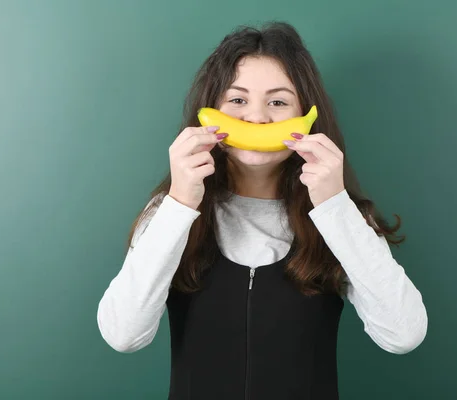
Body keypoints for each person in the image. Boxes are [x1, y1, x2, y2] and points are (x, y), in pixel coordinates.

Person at [97, 21, 428, 400]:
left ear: (305, 116)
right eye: (237, 100)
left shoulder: (342, 217)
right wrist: (179, 203)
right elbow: (122, 336)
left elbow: (404, 335)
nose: (256, 118)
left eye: (278, 102)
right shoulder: (170, 212)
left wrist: (335, 206)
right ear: (211, 111)